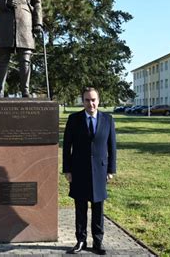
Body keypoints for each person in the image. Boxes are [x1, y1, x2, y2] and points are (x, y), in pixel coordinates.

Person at [62, 87, 117, 255]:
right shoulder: (73, 119)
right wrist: (67, 169)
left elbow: (112, 147)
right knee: (80, 209)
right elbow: (67, 147)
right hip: (78, 171)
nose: (90, 103)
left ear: (98, 101)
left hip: (100, 171)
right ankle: (81, 241)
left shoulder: (108, 119)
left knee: (98, 209)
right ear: (82, 101)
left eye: (93, 100)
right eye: (87, 100)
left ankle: (98, 242)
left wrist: (111, 169)